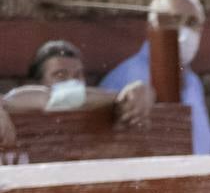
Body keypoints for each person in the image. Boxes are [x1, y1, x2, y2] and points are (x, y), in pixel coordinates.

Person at [100, 0, 210, 155]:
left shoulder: (193, 82)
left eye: (192, 22)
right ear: (151, 26)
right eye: (175, 20)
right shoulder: (127, 78)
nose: (184, 30)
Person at [3, 40, 152, 129]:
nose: (72, 82)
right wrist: (122, 96)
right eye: (60, 75)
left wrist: (140, 90)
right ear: (36, 83)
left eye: (78, 75)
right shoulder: (18, 99)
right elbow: (56, 98)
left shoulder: (97, 101)